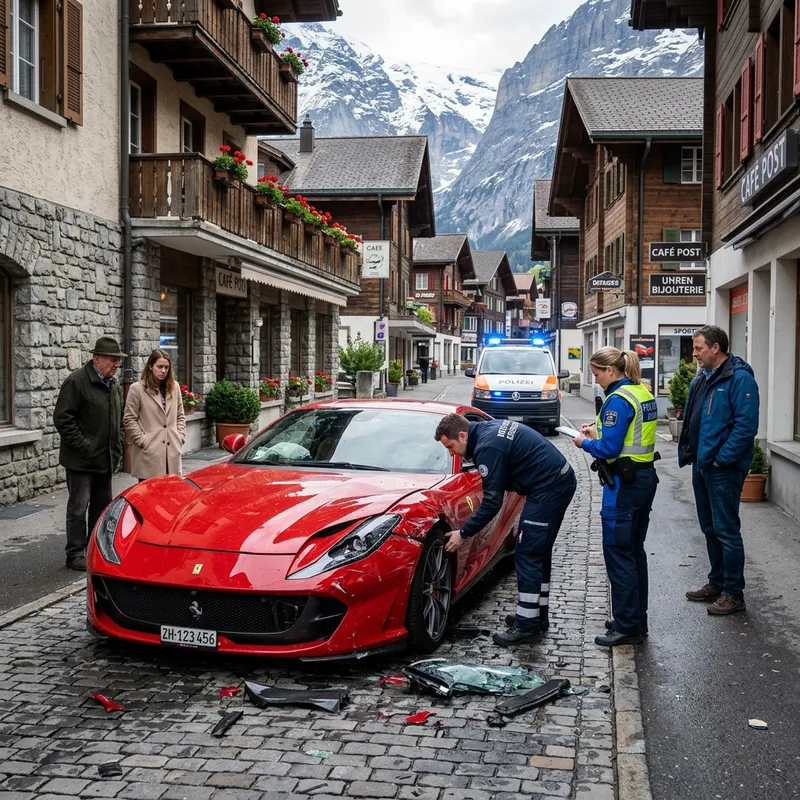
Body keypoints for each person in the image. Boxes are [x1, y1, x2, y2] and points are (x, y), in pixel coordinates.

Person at [435, 412, 576, 646]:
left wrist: (464, 532)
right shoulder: (487, 431)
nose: (451, 453)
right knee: (538, 553)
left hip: (549, 488)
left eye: (450, 447)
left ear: (462, 435)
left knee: (528, 553)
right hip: (555, 482)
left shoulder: (487, 448)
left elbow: (492, 502)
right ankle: (536, 616)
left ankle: (527, 626)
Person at [572, 346, 659, 647]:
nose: (595, 379)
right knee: (634, 552)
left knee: (619, 554)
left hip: (623, 485)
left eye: (596, 373)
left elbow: (609, 449)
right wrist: (598, 433)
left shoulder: (617, 401)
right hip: (644, 478)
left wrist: (584, 442)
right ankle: (636, 619)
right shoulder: (642, 392)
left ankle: (626, 627)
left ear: (611, 371)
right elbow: (630, 435)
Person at [678, 325, 759, 615]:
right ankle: (717, 582)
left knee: (726, 530)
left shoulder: (739, 379)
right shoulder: (703, 377)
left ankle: (734, 593)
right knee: (710, 528)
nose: (695, 353)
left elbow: (745, 427)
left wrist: (720, 459)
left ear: (716, 348)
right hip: (702, 465)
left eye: (699, 348)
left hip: (722, 468)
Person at [54, 336, 126, 571]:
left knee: (101, 507)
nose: (117, 364)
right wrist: (84, 446)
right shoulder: (77, 381)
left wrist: (117, 445)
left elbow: (118, 420)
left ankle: (94, 549)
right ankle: (74, 553)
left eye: (118, 360)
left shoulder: (112, 385)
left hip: (105, 460)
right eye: (113, 360)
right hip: (81, 461)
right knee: (78, 507)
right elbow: (63, 419)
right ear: (97, 359)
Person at [123, 349, 186, 482]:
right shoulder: (137, 389)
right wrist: (143, 441)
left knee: (172, 497)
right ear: (151, 366)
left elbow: (180, 415)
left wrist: (180, 437)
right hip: (149, 456)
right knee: (148, 498)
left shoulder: (174, 387)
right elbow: (129, 419)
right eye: (160, 366)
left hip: (172, 453)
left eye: (166, 367)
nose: (163, 371)